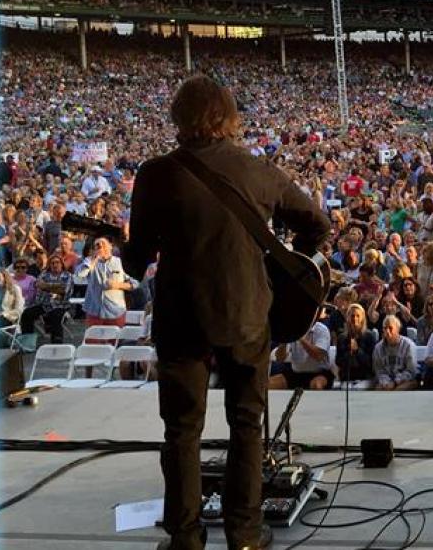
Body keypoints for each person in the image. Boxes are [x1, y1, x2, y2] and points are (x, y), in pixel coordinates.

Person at [123, 75, 330, 550]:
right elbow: (316, 223)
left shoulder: (155, 174)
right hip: (246, 315)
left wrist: (136, 249)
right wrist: (288, 266)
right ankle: (244, 535)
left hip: (181, 320)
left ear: (179, 116)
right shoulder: (257, 170)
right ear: (229, 118)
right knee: (246, 424)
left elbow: (136, 262)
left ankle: (185, 538)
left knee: (181, 431)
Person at [78, 236, 135, 328]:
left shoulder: (120, 262)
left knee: (115, 340)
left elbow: (136, 283)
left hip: (116, 310)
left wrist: (118, 285)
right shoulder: (89, 261)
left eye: (103, 243)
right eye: (97, 245)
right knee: (93, 340)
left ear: (111, 246)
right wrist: (93, 259)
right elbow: (79, 275)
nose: (100, 246)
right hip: (94, 311)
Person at [269, 320, 336, 391]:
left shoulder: (321, 329)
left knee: (317, 385)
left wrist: (300, 338)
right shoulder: (292, 329)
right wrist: (284, 342)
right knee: (269, 384)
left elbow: (319, 356)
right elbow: (280, 359)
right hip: (296, 373)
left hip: (319, 373)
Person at [371, 315, 419, 390]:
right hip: (386, 381)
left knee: (400, 389)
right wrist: (386, 382)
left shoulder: (408, 345)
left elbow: (411, 370)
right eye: (385, 328)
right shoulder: (378, 348)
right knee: (378, 388)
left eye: (390, 328)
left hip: (405, 380)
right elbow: (379, 371)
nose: (387, 331)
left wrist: (395, 382)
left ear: (397, 329)